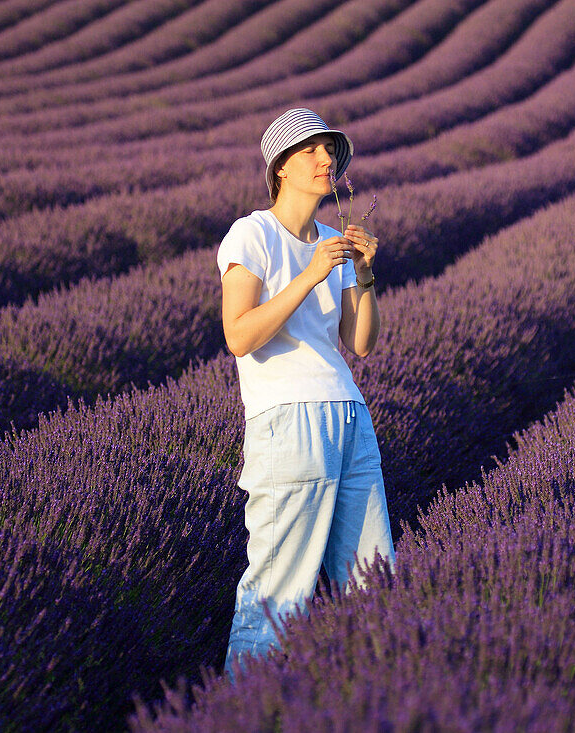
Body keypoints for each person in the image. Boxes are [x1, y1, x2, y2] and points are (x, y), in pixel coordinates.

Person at [217, 108, 394, 677]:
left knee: (375, 581)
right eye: (312, 151)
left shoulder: (329, 242)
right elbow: (239, 334)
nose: (327, 161)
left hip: (349, 415)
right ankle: (241, 714)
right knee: (278, 592)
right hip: (288, 421)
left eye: (330, 153)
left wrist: (363, 274)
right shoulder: (253, 234)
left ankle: (376, 704)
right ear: (280, 167)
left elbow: (359, 342)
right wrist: (312, 274)